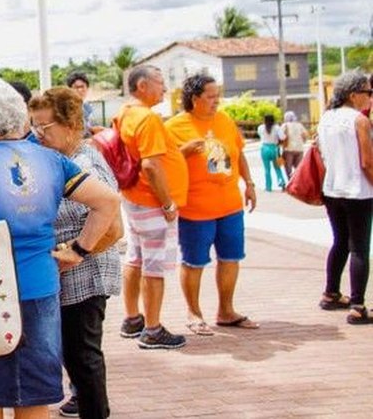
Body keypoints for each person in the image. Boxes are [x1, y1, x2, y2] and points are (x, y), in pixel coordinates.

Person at [0, 79, 120, 419]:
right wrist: (78, 250)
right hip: (41, 289)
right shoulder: (53, 161)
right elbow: (108, 201)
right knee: (33, 398)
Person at [29, 88, 123, 419]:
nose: (38, 135)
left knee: (84, 357)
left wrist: (78, 250)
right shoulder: (66, 161)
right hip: (74, 276)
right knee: (76, 355)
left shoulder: (84, 164)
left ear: (70, 124)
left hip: (87, 276)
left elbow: (114, 224)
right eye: (34, 127)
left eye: (45, 127)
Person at [165, 74, 259, 337]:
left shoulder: (225, 120)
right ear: (194, 99)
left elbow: (238, 155)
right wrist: (184, 150)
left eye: (218, 95)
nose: (217, 101)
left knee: (231, 258)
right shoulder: (174, 127)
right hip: (196, 210)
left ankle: (226, 311)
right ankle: (193, 313)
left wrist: (249, 184)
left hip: (230, 206)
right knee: (194, 262)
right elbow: (163, 165)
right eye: (211, 96)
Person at [116, 65, 190, 349]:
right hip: (151, 201)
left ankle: (133, 318)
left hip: (135, 198)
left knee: (135, 258)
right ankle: (152, 328)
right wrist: (168, 202)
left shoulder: (125, 112)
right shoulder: (147, 118)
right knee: (154, 265)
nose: (165, 88)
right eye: (161, 82)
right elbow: (150, 164)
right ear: (143, 85)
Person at [316, 71, 373, 324]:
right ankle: (358, 306)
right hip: (358, 191)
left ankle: (331, 293)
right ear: (353, 94)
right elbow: (368, 162)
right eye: (368, 92)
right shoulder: (359, 121)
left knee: (340, 241)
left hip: (332, 189)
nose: (370, 97)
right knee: (359, 247)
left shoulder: (326, 118)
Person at [66, 72, 106, 137]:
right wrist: (90, 130)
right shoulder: (66, 108)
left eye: (82, 87)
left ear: (87, 88)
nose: (79, 90)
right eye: (76, 87)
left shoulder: (87, 107)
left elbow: (93, 125)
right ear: (69, 90)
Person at [256, 113, 287, 192]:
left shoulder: (261, 127)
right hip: (274, 149)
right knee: (277, 168)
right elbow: (283, 137)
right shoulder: (276, 128)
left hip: (264, 148)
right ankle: (282, 183)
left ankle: (268, 187)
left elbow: (260, 135)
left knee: (267, 169)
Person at [280, 111, 309, 178]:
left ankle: (290, 182)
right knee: (298, 168)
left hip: (288, 149)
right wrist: (302, 142)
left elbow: (281, 136)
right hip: (299, 149)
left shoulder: (285, 125)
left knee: (288, 168)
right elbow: (305, 135)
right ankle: (298, 182)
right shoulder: (299, 125)